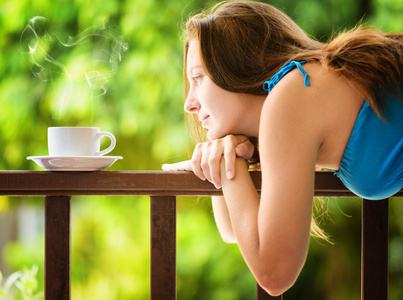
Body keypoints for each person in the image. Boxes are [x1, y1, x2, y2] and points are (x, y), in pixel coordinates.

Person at [162, 1, 403, 296]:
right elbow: (232, 232)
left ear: (236, 63)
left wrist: (230, 167)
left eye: (198, 78)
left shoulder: (292, 95)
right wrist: (225, 155)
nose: (190, 104)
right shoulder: (295, 94)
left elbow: (275, 273)